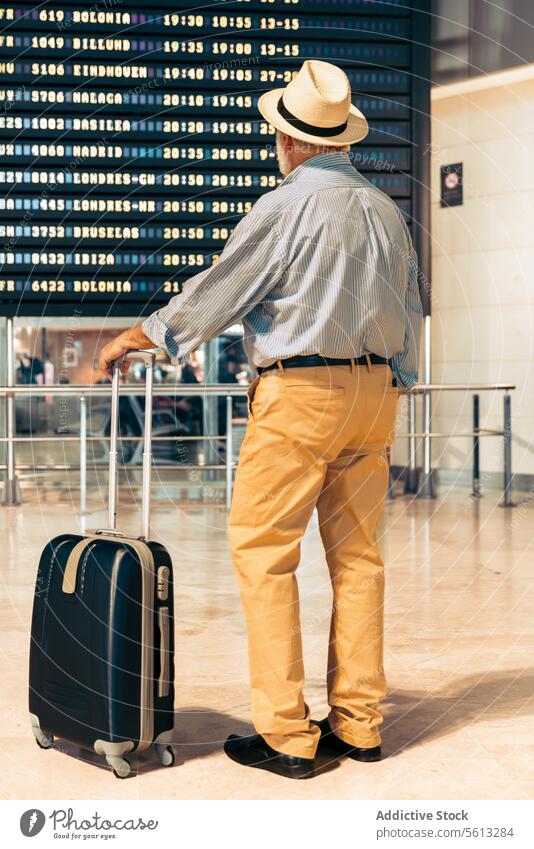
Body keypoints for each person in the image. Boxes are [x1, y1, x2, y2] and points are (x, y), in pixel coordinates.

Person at [99, 59, 423, 780]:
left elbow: (219, 292)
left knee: (265, 553)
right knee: (360, 560)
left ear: (291, 139)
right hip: (376, 396)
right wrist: (394, 380)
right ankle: (360, 725)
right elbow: (410, 311)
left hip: (301, 394)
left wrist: (138, 334)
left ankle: (287, 734)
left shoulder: (285, 206)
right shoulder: (384, 210)